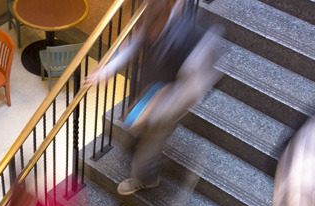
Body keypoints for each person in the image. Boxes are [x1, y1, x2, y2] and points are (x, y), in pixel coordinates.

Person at [84, 0, 221, 195]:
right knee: (135, 135)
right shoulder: (153, 16)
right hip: (147, 92)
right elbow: (137, 41)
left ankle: (145, 179)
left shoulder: (191, 36)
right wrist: (108, 70)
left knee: (148, 150)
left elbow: (191, 91)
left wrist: (152, 112)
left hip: (167, 108)